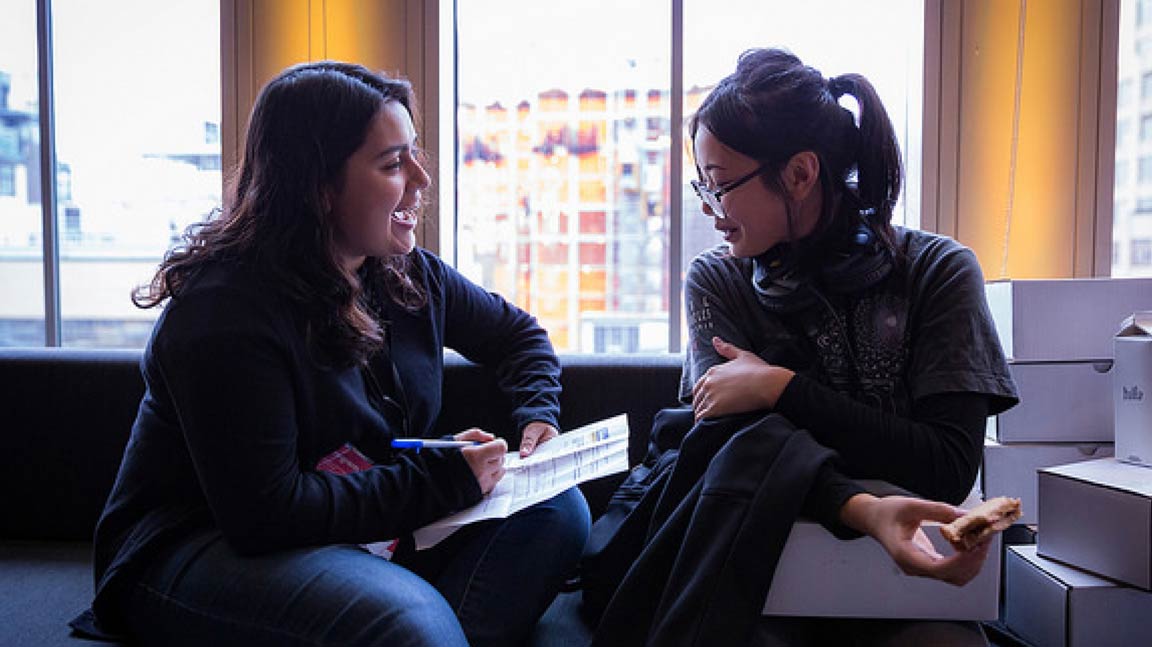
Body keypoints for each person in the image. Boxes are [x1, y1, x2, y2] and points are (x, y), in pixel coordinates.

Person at [70, 61, 590, 647]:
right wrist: (441, 483)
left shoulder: (404, 273)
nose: (421, 178)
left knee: (558, 510)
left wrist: (537, 418)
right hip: (196, 546)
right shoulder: (226, 314)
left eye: (414, 154)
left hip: (353, 530)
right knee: (407, 621)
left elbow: (518, 336)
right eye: (394, 163)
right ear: (318, 188)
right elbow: (267, 514)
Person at [584, 48, 1019, 647]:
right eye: (701, 187)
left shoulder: (938, 271)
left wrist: (780, 389)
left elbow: (944, 468)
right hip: (753, 568)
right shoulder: (717, 281)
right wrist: (862, 502)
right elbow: (732, 454)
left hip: (902, 580)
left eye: (720, 186)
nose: (710, 211)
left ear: (800, 173)